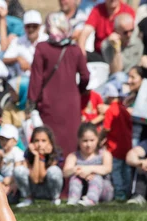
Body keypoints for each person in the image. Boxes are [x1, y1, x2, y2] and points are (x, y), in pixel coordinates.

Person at [28, 12, 89, 159]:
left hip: (49, 104)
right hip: (71, 106)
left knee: (50, 145)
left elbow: (36, 80)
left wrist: (30, 104)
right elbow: (86, 76)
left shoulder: (42, 48)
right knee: (70, 146)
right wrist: (77, 92)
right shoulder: (75, 50)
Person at [63, 123, 113, 206]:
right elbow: (65, 172)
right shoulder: (73, 156)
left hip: (103, 190)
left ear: (97, 139)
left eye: (92, 140)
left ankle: (91, 200)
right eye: (85, 141)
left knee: (96, 177)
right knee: (75, 178)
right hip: (82, 190)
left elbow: (107, 168)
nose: (88, 144)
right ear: (79, 140)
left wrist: (88, 170)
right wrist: (78, 171)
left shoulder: (104, 154)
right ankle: (73, 199)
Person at [14, 126, 64, 207]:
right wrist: (37, 156)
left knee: (54, 170)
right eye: (36, 141)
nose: (40, 144)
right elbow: (36, 179)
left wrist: (42, 157)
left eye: (43, 141)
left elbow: (42, 178)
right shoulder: (29, 153)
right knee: (19, 170)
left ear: (50, 142)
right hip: (34, 189)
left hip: (49, 190)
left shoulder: (56, 153)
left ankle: (55, 199)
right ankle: (28, 199)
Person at [99, 85, 132, 200]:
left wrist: (100, 139)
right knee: (126, 171)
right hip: (127, 146)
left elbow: (106, 128)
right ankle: (128, 191)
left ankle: (119, 192)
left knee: (116, 171)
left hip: (114, 148)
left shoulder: (110, 110)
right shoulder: (124, 109)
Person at [2, 10, 48, 79]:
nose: (31, 29)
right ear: (24, 27)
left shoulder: (47, 40)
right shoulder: (17, 41)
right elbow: (5, 59)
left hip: (43, 78)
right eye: (28, 26)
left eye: (34, 26)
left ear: (39, 27)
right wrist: (18, 59)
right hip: (24, 80)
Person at [0, 124, 25, 190]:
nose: (3, 142)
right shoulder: (0, 152)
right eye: (1, 139)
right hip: (3, 177)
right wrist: (0, 158)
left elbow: (18, 169)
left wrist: (11, 179)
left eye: (7, 139)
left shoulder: (16, 151)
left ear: (15, 141)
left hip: (14, 178)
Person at [123, 66, 145, 146]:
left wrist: (135, 112)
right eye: (128, 77)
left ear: (143, 79)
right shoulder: (129, 97)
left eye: (133, 77)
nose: (129, 81)